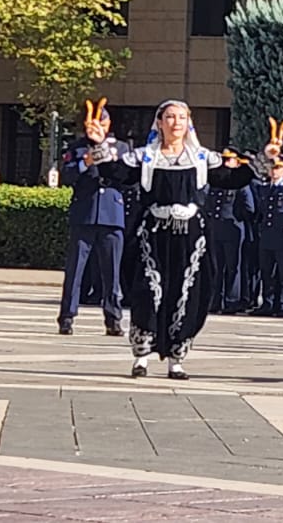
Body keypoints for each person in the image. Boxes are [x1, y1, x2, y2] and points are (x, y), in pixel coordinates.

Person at [90, 100, 260, 379]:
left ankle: (176, 360)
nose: (176, 122)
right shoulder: (145, 157)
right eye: (169, 117)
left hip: (191, 238)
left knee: (186, 292)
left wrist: (264, 159)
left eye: (181, 117)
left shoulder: (201, 158)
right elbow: (116, 174)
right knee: (148, 290)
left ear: (188, 123)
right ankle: (142, 356)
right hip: (153, 235)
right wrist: (97, 144)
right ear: (159, 123)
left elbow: (233, 179)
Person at [59, 108, 130, 335]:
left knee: (112, 272)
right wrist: (85, 163)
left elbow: (126, 179)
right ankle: (67, 317)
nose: (96, 127)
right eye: (92, 123)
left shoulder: (121, 148)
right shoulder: (77, 147)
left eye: (101, 123)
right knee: (75, 269)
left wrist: (108, 157)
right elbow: (67, 176)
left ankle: (113, 318)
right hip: (85, 214)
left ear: (108, 125)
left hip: (111, 215)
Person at [250, 157, 283, 318]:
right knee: (267, 272)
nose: (274, 171)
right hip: (267, 236)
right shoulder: (265, 188)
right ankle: (268, 303)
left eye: (278, 167)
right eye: (272, 167)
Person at [206, 149, 254, 315]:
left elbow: (249, 208)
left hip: (233, 230)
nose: (226, 163)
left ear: (237, 162)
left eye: (229, 160)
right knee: (216, 267)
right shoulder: (217, 180)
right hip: (216, 229)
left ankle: (231, 301)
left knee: (233, 267)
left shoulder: (240, 182)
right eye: (224, 159)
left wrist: (236, 219)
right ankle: (215, 300)